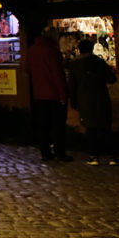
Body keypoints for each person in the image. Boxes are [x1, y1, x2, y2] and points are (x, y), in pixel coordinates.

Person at [24, 26, 72, 162]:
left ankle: (45, 152)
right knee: (57, 125)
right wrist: (63, 94)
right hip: (54, 94)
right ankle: (59, 152)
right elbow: (57, 74)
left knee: (43, 125)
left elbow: (27, 69)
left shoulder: (32, 49)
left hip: (39, 93)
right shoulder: (52, 50)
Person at [68, 39, 118, 166]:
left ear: (79, 50)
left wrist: (73, 103)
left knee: (90, 129)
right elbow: (112, 79)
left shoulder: (74, 65)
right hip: (102, 98)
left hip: (85, 100)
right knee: (106, 128)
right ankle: (112, 157)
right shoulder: (99, 62)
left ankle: (94, 156)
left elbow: (72, 86)